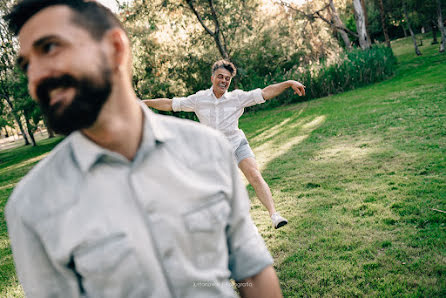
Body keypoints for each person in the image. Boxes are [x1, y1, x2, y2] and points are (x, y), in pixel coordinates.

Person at [4, 1, 283, 297]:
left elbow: (251, 273)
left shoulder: (209, 150)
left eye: (49, 48)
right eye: (26, 65)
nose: (35, 78)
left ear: (115, 48)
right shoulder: (32, 207)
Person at [143, 60, 306, 229]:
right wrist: (144, 103)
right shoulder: (199, 99)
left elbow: (265, 92)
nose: (224, 81)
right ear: (213, 78)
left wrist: (288, 83)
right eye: (220, 77)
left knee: (255, 176)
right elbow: (170, 103)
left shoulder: (237, 98)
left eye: (227, 78)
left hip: (236, 143)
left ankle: (274, 215)